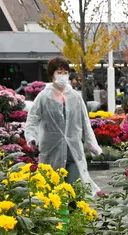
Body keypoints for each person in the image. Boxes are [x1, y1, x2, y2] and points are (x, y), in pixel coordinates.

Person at [25, 56, 101, 194]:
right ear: (52, 74)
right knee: (52, 189)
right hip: (51, 150)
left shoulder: (75, 97)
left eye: (65, 72)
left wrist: (92, 145)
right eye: (59, 72)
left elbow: (84, 121)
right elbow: (33, 119)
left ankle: (73, 213)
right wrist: (31, 137)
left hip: (73, 149)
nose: (63, 75)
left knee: (74, 189)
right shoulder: (43, 97)